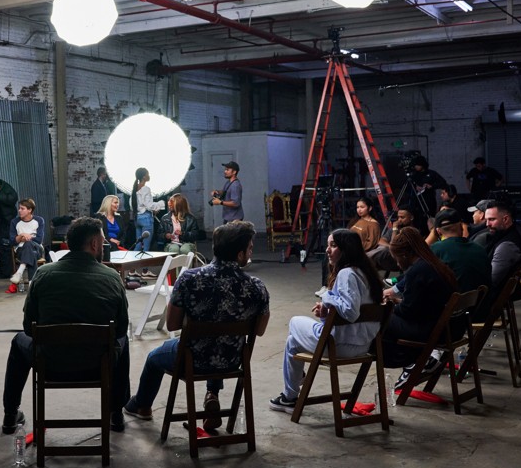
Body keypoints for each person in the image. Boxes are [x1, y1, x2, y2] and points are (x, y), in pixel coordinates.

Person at [125, 221, 269, 431]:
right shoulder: (256, 286)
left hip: (192, 359)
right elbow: (259, 330)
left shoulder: (190, 279)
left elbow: (173, 323)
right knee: (219, 343)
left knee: (154, 357)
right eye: (250, 248)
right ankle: (212, 394)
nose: (251, 252)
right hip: (232, 359)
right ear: (239, 255)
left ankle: (142, 406)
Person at [0, 217, 130, 434]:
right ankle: (116, 413)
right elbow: (121, 328)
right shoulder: (112, 277)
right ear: (95, 244)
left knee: (18, 342)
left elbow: (28, 327)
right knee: (121, 341)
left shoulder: (43, 274)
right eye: (103, 241)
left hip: (50, 362)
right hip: (98, 363)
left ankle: (10, 414)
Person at [269, 228, 382, 413]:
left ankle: (291, 393)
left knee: (294, 322)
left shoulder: (347, 274)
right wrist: (328, 311)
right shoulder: (365, 272)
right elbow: (353, 308)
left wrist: (327, 297)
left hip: (340, 345)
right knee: (292, 342)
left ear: (346, 249)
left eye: (333, 245)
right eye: (328, 245)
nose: (327, 250)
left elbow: (351, 312)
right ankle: (289, 396)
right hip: (363, 344)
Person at [381, 227, 460, 387]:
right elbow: (418, 304)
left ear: (405, 254)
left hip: (429, 330)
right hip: (449, 327)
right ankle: (417, 360)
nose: (397, 263)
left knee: (381, 319)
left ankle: (412, 360)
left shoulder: (417, 271)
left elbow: (408, 312)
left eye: (396, 258)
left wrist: (389, 306)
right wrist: (399, 303)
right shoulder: (436, 264)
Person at [482, 200, 521, 304]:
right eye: (486, 220)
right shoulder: (503, 236)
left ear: (505, 219)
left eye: (492, 219)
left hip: (488, 301)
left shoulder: (507, 246)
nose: (487, 224)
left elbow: (491, 280)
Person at [8, 198, 45, 290]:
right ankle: (32, 285)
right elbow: (12, 241)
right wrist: (22, 235)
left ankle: (19, 272)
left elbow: (39, 240)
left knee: (28, 244)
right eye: (19, 208)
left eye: (22, 208)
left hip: (37, 248)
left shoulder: (39, 220)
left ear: (30, 210)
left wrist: (26, 238)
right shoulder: (15, 222)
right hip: (21, 251)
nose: (19, 210)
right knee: (30, 253)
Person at [367, 206, 416, 272]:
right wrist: (389, 246)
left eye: (402, 217)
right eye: (398, 217)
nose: (399, 220)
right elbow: (380, 241)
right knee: (382, 248)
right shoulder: (396, 229)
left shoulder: (412, 231)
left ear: (411, 218)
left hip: (401, 261)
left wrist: (395, 230)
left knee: (384, 251)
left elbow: (394, 245)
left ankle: (364, 259)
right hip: (386, 258)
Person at [406, 155, 447, 230]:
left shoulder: (431, 173)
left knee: (429, 219)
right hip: (416, 201)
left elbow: (443, 183)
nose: (416, 167)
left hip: (429, 200)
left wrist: (432, 186)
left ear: (422, 165)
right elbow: (407, 187)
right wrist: (415, 187)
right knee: (416, 220)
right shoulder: (414, 175)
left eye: (417, 165)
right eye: (415, 165)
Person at [131, 167, 165, 254]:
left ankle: (131, 265)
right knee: (145, 246)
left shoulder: (135, 189)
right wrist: (160, 204)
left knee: (138, 244)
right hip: (146, 218)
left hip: (137, 218)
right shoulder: (145, 189)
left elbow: (132, 205)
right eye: (147, 174)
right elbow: (149, 205)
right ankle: (144, 267)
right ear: (143, 177)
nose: (149, 176)